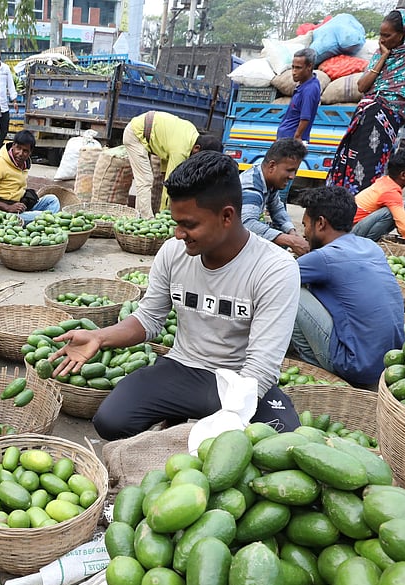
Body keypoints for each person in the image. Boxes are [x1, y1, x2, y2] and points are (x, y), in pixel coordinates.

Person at [50, 151, 301, 439]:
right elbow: (149, 318)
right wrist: (99, 337)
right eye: (176, 223)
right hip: (183, 368)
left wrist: (228, 421)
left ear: (227, 216)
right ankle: (181, 415)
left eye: (189, 224)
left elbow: (261, 366)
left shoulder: (275, 268)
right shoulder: (173, 252)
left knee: (283, 439)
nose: (179, 234)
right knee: (111, 421)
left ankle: (191, 420)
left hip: (240, 379)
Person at [293, 186, 405, 387]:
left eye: (305, 225)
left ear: (320, 223)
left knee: (288, 288)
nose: (304, 233)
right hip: (388, 364)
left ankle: (314, 362)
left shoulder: (323, 257)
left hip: (354, 367)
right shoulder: (370, 246)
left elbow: (271, 277)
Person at [326, 9, 405, 194]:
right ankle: (340, 200)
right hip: (364, 117)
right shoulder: (380, 53)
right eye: (381, 35)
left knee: (369, 167)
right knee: (349, 160)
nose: (382, 40)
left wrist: (382, 104)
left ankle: (361, 205)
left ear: (403, 33)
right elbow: (362, 86)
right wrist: (383, 57)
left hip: (385, 121)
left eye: (387, 35)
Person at [122, 110, 215, 217]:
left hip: (147, 129)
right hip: (135, 134)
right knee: (145, 180)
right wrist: (164, 213)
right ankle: (146, 218)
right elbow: (170, 185)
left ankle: (139, 215)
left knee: (146, 181)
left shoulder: (192, 133)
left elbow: (167, 146)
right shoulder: (181, 151)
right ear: (197, 148)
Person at [240, 137, 310, 256]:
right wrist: (290, 241)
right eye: (289, 170)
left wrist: (292, 232)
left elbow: (277, 209)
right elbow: (247, 224)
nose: (292, 176)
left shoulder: (268, 181)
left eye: (295, 171)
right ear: (272, 166)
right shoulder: (252, 187)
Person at [0, 130, 58, 222]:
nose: (20, 153)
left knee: (52, 200)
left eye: (25, 151)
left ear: (30, 152)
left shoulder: (24, 165)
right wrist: (8, 207)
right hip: (4, 213)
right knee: (44, 216)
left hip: (19, 208)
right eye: (18, 148)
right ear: (13, 145)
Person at [351, 148, 405, 244]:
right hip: (352, 232)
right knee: (390, 212)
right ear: (403, 175)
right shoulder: (390, 192)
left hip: (358, 225)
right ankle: (368, 242)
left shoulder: (386, 180)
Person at [276, 49, 322, 143]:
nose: (294, 72)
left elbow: (305, 117)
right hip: (285, 139)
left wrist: (297, 137)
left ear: (309, 66)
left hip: (291, 141)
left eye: (298, 68)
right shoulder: (304, 85)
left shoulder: (310, 89)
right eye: (293, 67)